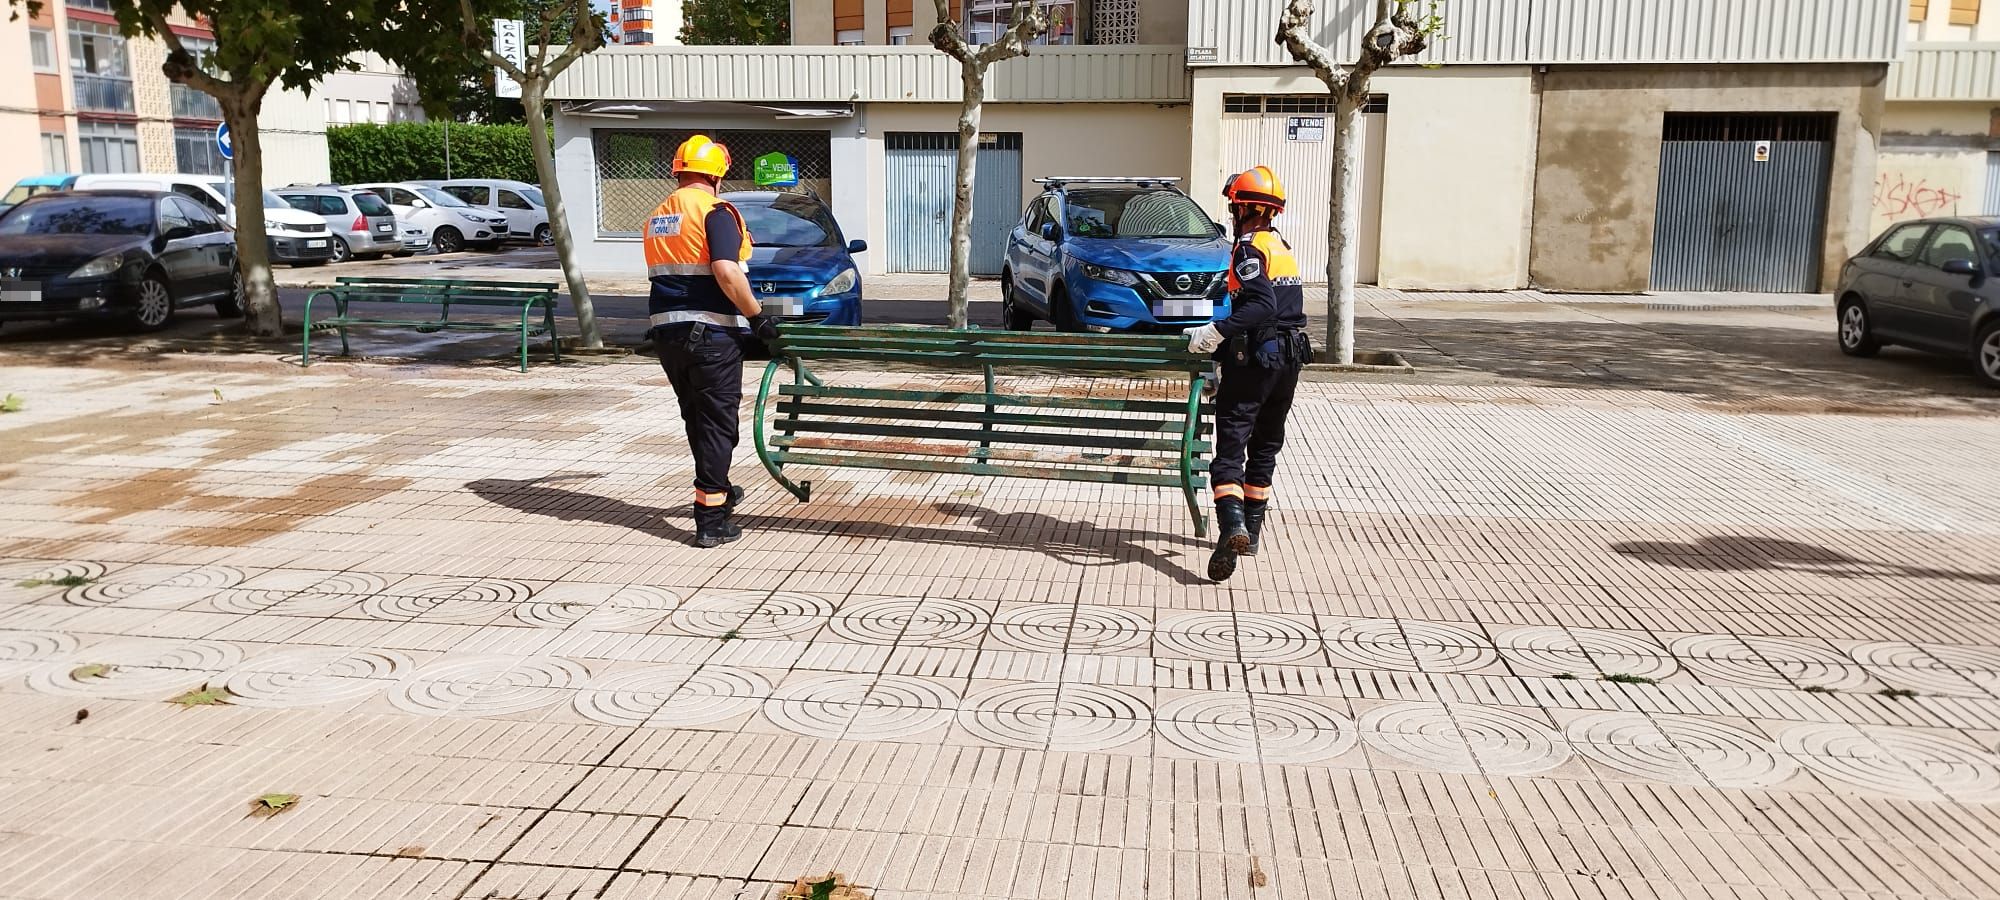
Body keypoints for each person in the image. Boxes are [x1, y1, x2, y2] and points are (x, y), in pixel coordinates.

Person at [644, 134, 781, 548]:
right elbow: (725, 271)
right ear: (718, 175)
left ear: (679, 171)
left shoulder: (659, 214)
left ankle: (717, 487)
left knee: (696, 419)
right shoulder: (716, 211)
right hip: (709, 336)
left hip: (667, 335)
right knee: (719, 425)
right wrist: (758, 319)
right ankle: (711, 519)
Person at [1181, 166, 1312, 582]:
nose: (1232, 214)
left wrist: (1213, 333)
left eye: (1233, 206)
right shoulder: (1281, 246)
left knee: (1231, 448)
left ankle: (1231, 524)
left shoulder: (1248, 249)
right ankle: (1250, 533)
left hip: (1255, 360)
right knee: (1267, 445)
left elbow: (1261, 307)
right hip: (1289, 362)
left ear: (1243, 208)